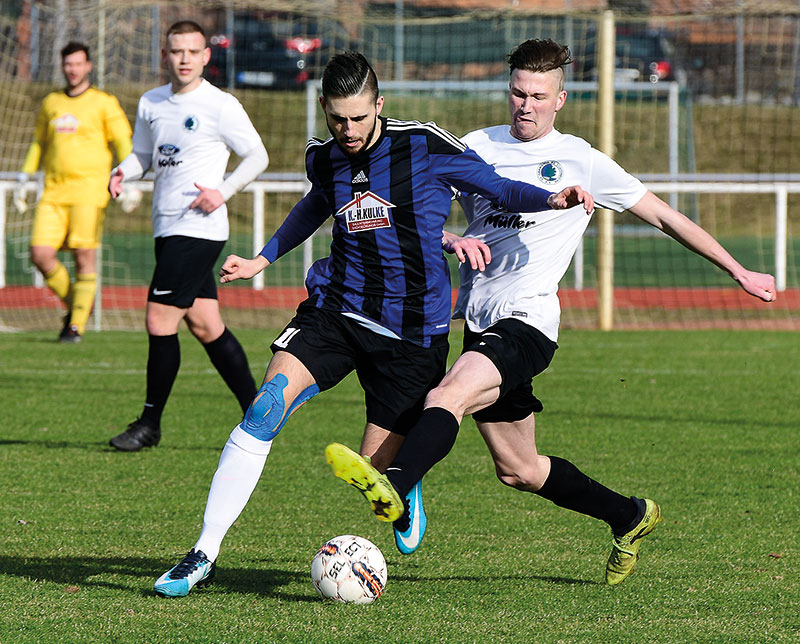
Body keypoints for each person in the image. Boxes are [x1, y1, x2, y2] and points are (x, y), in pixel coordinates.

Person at [326, 38, 777, 585]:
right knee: (519, 470)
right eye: (518, 92)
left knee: (446, 395)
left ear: (560, 99)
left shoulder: (581, 158)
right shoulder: (473, 147)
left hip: (528, 322)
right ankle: (630, 515)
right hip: (479, 322)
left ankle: (398, 483)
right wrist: (450, 240)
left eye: (538, 96)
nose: (526, 105)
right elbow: (409, 216)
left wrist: (739, 271)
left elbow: (664, 217)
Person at [151, 50, 593, 597]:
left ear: (379, 105)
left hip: (412, 333)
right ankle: (203, 553)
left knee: (375, 471)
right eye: (338, 118)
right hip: (338, 309)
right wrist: (265, 258)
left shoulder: (425, 144)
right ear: (324, 110)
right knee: (266, 405)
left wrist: (551, 197)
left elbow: (496, 186)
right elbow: (316, 204)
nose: (349, 129)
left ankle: (406, 493)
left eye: (360, 117)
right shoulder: (326, 156)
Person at [107, 20, 268, 452]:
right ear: (166, 55)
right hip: (167, 226)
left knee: (159, 320)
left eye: (192, 52)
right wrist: (124, 170)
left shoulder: (220, 105)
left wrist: (223, 192)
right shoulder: (151, 103)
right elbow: (144, 155)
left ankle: (149, 423)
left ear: (205, 57)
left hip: (198, 229)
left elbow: (257, 154)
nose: (183, 59)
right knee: (205, 324)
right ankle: (259, 411)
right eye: (176, 51)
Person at [16, 41, 133, 342]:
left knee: (84, 255)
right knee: (40, 254)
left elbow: (123, 142)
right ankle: (78, 307)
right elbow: (40, 143)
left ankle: (75, 327)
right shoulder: (51, 102)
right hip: (53, 193)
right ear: (63, 66)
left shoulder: (103, 102)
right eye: (68, 64)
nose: (73, 69)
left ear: (88, 66)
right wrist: (24, 177)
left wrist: (129, 176)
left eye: (78, 63)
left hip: (90, 193)